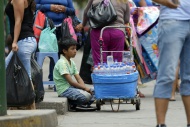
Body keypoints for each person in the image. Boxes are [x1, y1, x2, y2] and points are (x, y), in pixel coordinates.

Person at [152, 0, 190, 127]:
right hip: (172, 19)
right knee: (166, 75)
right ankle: (161, 124)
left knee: (189, 77)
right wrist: (166, 2)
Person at [35, 0, 81, 84]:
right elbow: (34, 6)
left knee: (60, 54)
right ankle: (39, 81)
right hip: (45, 29)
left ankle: (56, 78)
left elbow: (73, 11)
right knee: (44, 53)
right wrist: (49, 7)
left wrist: (64, 9)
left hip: (63, 28)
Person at [76, 0, 130, 66]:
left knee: (100, 62)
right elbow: (127, 19)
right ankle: (115, 75)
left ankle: (102, 74)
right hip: (117, 32)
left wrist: (83, 24)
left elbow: (86, 12)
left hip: (99, 32)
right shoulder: (124, 1)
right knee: (116, 62)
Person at [5, 0, 37, 109]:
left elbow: (18, 20)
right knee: (12, 71)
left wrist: (14, 41)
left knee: (25, 77)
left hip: (24, 41)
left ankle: (32, 108)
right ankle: (15, 105)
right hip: (25, 40)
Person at [53, 38, 96, 110]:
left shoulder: (71, 62)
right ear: (64, 51)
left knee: (96, 91)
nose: (75, 51)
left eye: (75, 49)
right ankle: (77, 104)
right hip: (64, 90)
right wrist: (84, 88)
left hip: (71, 88)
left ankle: (81, 104)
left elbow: (78, 78)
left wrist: (84, 88)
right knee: (84, 97)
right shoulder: (62, 63)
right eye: (72, 49)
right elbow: (71, 82)